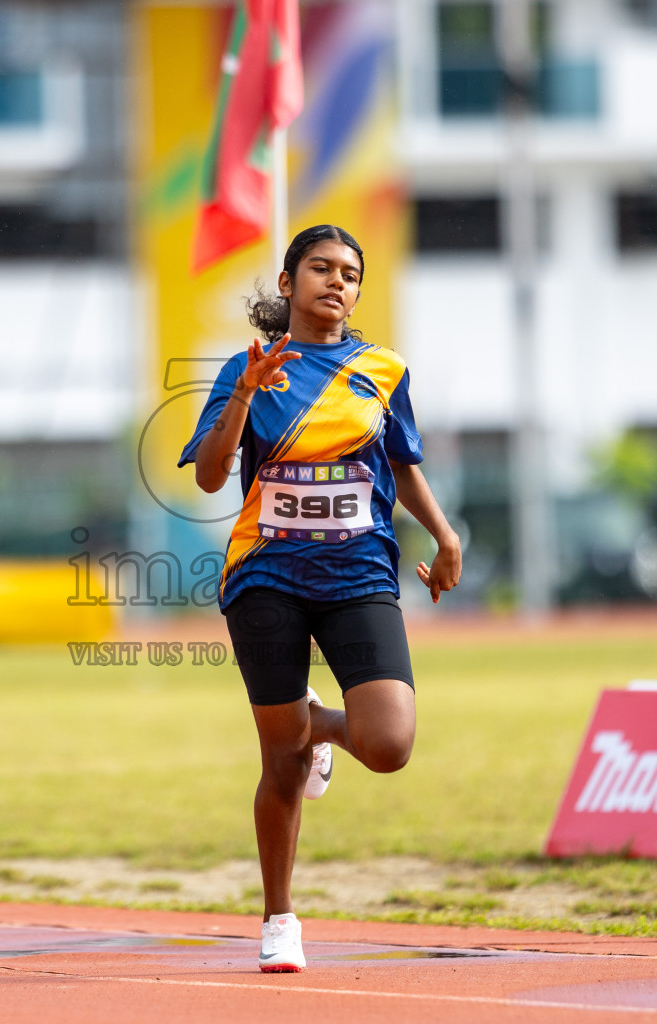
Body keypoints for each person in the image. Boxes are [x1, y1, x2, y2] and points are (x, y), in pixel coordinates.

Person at [179, 224, 461, 972]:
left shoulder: (383, 370)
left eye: (350, 274)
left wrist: (445, 535)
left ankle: (318, 722)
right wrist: (242, 393)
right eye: (321, 268)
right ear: (287, 281)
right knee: (282, 763)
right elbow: (209, 477)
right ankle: (279, 918)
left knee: (389, 744)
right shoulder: (248, 370)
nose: (337, 282)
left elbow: (401, 465)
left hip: (359, 572)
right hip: (265, 576)